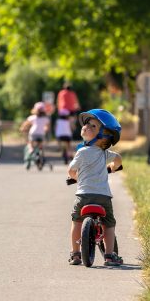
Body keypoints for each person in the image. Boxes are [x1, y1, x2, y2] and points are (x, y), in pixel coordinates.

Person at [67, 109, 123, 266]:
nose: (86, 126)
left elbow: (71, 171)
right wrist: (111, 168)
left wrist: (77, 178)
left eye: (93, 126)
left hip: (83, 196)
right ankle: (110, 255)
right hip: (103, 197)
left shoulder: (81, 152)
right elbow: (118, 159)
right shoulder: (104, 153)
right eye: (86, 124)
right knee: (109, 224)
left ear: (102, 136)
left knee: (77, 221)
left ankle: (76, 254)